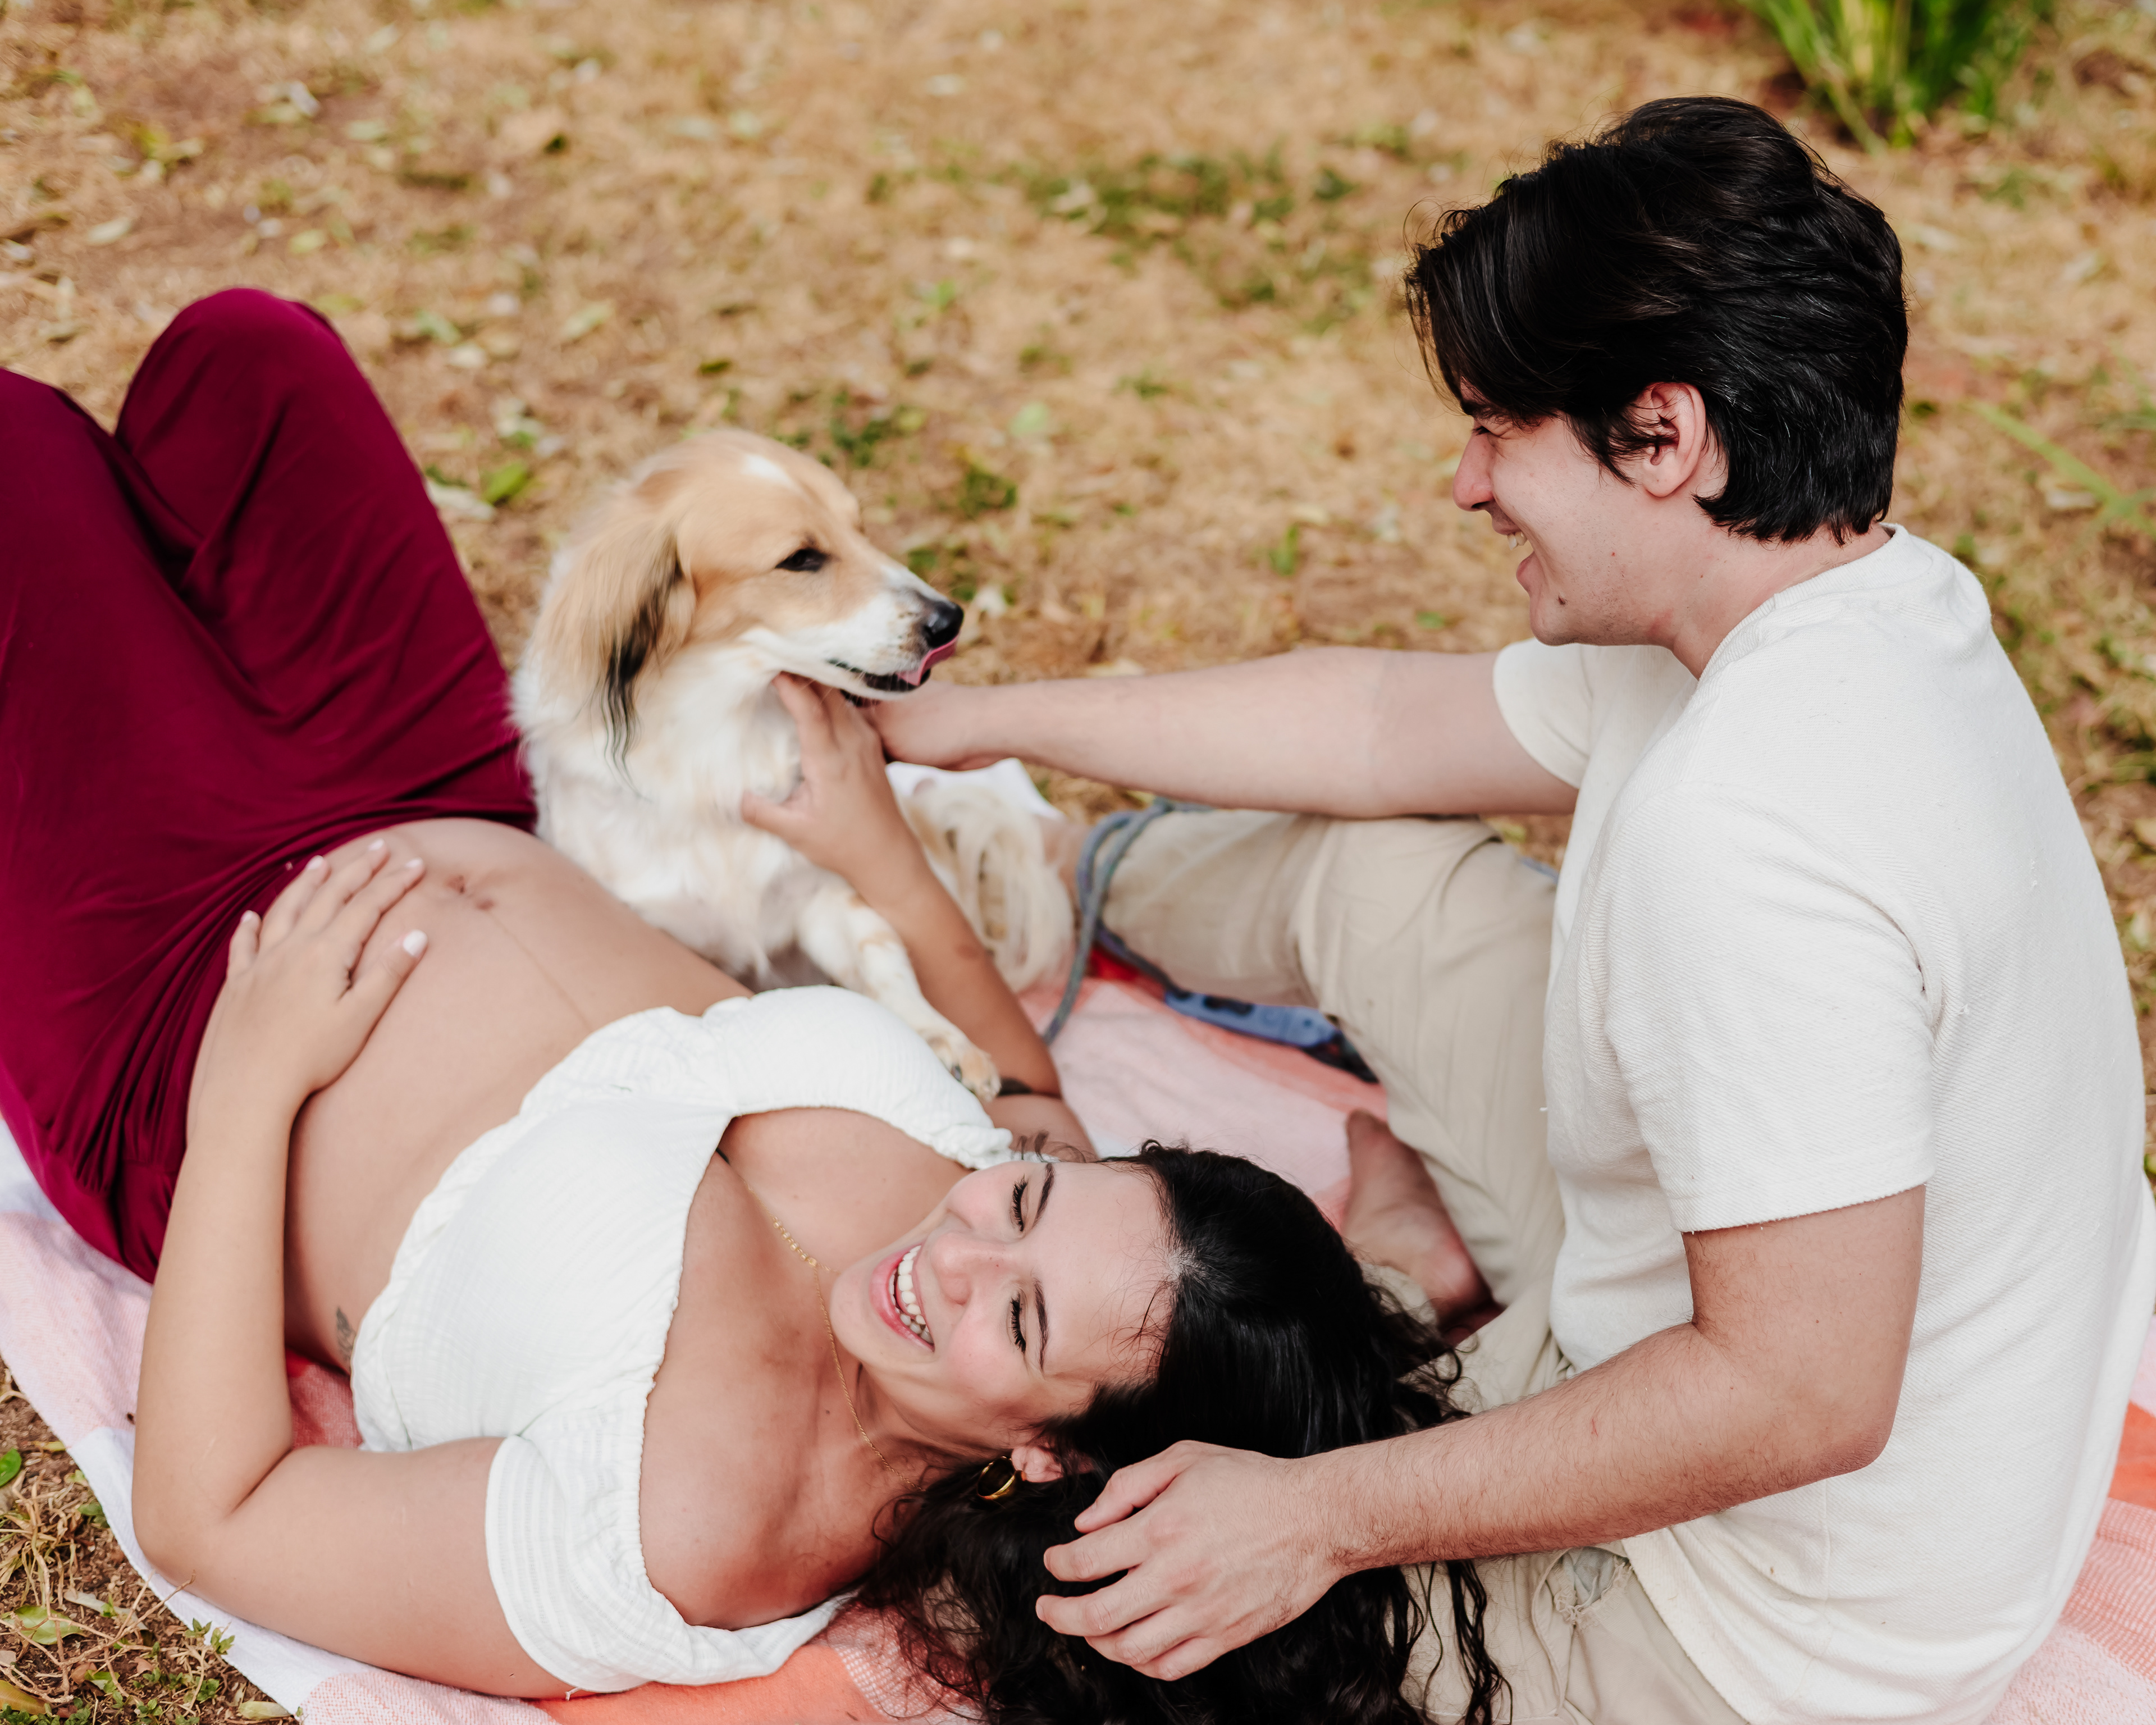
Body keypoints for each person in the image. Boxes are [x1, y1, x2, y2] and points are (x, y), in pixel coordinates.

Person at [0, 290, 1506, 1725]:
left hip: (182, 999)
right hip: (438, 794)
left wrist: (251, 1084)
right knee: (248, 358)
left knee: (22, 453)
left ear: (1052, 1455)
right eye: (1027, 1200)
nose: (957, 1252)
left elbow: (214, 1519)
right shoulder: (1050, 1237)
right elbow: (1024, 1080)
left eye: (1018, 1313)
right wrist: (879, 854)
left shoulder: (691, 1536)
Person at [873, 96, 2156, 1723]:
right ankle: (1065, 895)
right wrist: (969, 726)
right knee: (1373, 871)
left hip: (1761, 1613)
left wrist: (1316, 1519)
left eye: (1497, 429)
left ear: (1663, 435)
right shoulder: (1847, 596)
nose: (1466, 483)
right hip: (1713, 1310)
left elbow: (1801, 1402)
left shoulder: (1745, 838)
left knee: (1081, 1595)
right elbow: (1377, 729)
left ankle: (1421, 1293)